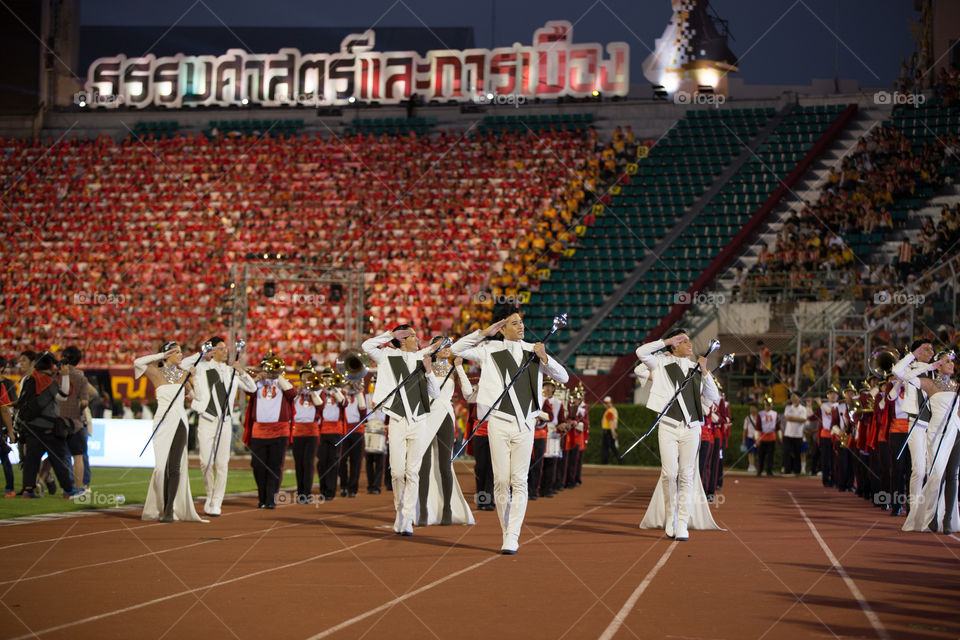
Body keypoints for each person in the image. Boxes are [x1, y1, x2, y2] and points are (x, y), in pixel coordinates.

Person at [452, 307, 569, 554]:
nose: (521, 326)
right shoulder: (489, 349)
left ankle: (513, 534)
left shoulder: (533, 349)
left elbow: (564, 377)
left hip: (525, 424)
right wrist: (483, 332)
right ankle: (507, 529)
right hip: (498, 421)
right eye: (514, 323)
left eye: (521, 322)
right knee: (502, 481)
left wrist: (545, 357)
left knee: (520, 481)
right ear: (502, 328)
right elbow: (456, 350)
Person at [636, 330, 721, 541]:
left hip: (691, 428)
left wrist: (705, 370)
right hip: (668, 425)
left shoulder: (695, 368)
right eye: (684, 341)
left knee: (686, 474)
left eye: (689, 340)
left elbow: (713, 396)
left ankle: (682, 522)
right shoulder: (661, 364)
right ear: (674, 345)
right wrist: (665, 341)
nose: (690, 344)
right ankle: (669, 518)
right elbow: (641, 352)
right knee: (669, 474)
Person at [362, 324, 440, 536]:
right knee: (397, 472)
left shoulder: (422, 357)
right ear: (403, 339)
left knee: (412, 471)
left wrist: (429, 371)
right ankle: (401, 512)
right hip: (396, 419)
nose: (417, 339)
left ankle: (406, 518)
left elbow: (435, 393)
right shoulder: (387, 355)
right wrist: (390, 335)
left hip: (419, 420)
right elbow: (366, 345)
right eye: (412, 336)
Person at [183, 337, 256, 517]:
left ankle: (216, 502)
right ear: (213, 350)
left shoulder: (232, 371)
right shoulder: (201, 367)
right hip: (207, 419)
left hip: (224, 422)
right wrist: (201, 354)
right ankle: (209, 495)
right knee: (204, 462)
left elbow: (252, 388)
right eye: (222, 349)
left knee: (222, 464)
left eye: (226, 349)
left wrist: (242, 372)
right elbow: (182, 365)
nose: (226, 351)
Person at [134, 342, 205, 522]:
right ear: (168, 354)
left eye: (181, 351)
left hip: (180, 421)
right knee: (160, 468)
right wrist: (160, 356)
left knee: (174, 467)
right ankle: (159, 505)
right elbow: (138, 362)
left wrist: (194, 378)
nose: (181, 355)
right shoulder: (155, 372)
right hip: (162, 421)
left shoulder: (183, 374)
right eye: (177, 352)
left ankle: (169, 510)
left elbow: (198, 398)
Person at [901, 351, 960, 534]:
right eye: (946, 362)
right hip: (936, 433)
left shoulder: (957, 385)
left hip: (955, 433)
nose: (951, 364)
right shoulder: (929, 384)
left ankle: (947, 520)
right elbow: (902, 374)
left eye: (952, 362)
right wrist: (928, 367)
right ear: (938, 365)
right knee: (937, 476)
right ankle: (932, 517)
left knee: (953, 475)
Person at [418, 338, 474, 526]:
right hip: (426, 415)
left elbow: (467, 393)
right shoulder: (424, 365)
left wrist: (459, 368)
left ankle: (447, 508)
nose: (446, 349)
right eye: (442, 345)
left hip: (446, 416)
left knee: (445, 465)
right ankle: (424, 509)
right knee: (424, 467)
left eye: (449, 345)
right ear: (434, 348)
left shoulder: (453, 369)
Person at [15, 352, 80, 498]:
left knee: (31, 459)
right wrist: (64, 375)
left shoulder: (29, 379)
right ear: (50, 365)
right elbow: (63, 395)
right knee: (58, 459)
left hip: (30, 426)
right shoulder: (48, 381)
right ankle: (68, 490)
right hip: (48, 426)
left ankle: (28, 489)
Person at [891, 339, 936, 516]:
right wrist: (912, 356)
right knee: (918, 468)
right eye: (927, 349)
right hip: (916, 422)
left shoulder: (934, 371)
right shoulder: (909, 369)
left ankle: (928, 509)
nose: (931, 352)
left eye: (932, 349)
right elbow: (896, 370)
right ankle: (914, 510)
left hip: (933, 424)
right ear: (918, 351)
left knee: (931, 468)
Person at [58, 346, 94, 493]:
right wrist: (79, 410)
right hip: (75, 422)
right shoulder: (81, 378)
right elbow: (85, 401)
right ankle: (79, 488)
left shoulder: (56, 376)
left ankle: (42, 482)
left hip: (57, 420)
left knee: (59, 456)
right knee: (78, 456)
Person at [291, 365, 323, 503]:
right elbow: (289, 402)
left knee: (308, 462)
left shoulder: (318, 390)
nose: (306, 378)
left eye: (309, 375)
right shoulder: (295, 390)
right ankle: (300, 493)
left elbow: (320, 405)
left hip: (312, 430)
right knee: (299, 463)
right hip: (297, 429)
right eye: (304, 375)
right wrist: (297, 392)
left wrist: (312, 390)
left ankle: (307, 494)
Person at [316, 370, 347, 501]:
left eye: (330, 378)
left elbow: (344, 403)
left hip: (335, 430)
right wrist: (322, 389)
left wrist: (334, 388)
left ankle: (331, 490)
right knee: (322, 462)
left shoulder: (339, 392)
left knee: (333, 461)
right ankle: (323, 489)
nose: (327, 381)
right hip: (322, 430)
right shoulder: (319, 392)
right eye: (325, 378)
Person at [339, 383, 367, 498]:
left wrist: (359, 392)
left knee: (356, 461)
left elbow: (363, 411)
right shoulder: (342, 391)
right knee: (341, 460)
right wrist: (345, 386)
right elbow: (341, 403)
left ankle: (353, 488)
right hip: (343, 429)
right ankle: (343, 486)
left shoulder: (359, 393)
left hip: (357, 429)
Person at [816, 386, 842, 488]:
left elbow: (832, 412)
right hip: (825, 435)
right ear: (827, 395)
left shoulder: (840, 405)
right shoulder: (823, 406)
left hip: (836, 435)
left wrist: (820, 403)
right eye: (831, 393)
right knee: (825, 459)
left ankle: (835, 480)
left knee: (835, 459)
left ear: (838, 396)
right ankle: (825, 480)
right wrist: (809, 407)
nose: (833, 395)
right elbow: (812, 417)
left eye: (835, 393)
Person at [0, 358, 19, 497]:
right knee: (4, 456)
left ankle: (10, 487)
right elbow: (5, 410)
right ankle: (10, 488)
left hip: (1, 426)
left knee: (4, 456)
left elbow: (8, 408)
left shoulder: (7, 383)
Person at [782, 392, 808, 476]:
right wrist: (796, 419)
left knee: (798, 453)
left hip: (798, 434)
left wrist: (792, 418)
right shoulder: (788, 407)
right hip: (788, 434)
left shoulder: (803, 409)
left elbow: (803, 419)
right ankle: (787, 469)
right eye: (791, 396)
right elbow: (786, 418)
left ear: (799, 397)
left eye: (794, 396)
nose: (792, 398)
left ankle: (797, 470)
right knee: (787, 452)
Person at [600, 396, 619, 463]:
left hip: (608, 431)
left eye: (605, 403)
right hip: (610, 431)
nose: (604, 405)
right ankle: (618, 460)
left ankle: (605, 462)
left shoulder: (609, 411)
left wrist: (613, 431)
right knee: (610, 447)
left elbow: (611, 422)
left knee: (608, 447)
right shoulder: (613, 410)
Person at [742, 404, 759, 474]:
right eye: (750, 408)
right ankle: (751, 465)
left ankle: (758, 466)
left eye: (753, 408)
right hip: (749, 437)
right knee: (751, 452)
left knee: (758, 453)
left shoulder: (759, 417)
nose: (751, 410)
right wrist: (743, 439)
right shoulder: (747, 418)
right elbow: (745, 429)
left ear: (756, 409)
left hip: (758, 438)